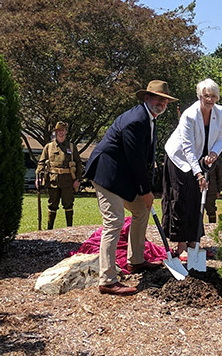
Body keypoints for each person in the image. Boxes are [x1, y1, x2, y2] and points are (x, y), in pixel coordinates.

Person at [84, 80, 177, 296]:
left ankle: (136, 260)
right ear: (146, 98)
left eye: (165, 100)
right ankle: (107, 280)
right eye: (157, 98)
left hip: (122, 177)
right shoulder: (136, 120)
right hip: (107, 174)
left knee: (141, 210)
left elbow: (141, 161)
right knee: (114, 222)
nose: (161, 103)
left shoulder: (148, 118)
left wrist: (145, 192)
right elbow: (136, 161)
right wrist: (145, 191)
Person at [162, 78, 222, 258]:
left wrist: (213, 154)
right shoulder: (189, 115)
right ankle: (181, 246)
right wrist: (198, 173)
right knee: (181, 197)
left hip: (200, 157)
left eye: (214, 96)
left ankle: (193, 242)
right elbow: (187, 147)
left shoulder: (220, 112)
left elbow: (221, 138)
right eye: (206, 95)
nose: (210, 99)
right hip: (179, 158)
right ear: (200, 96)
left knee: (197, 198)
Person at [35, 121, 83, 229]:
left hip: (68, 182)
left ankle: (69, 229)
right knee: (52, 205)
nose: (61, 132)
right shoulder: (49, 147)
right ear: (55, 132)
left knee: (68, 205)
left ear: (66, 132)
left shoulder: (71, 146)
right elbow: (41, 163)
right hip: (53, 181)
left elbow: (79, 164)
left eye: (63, 130)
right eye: (58, 130)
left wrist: (78, 180)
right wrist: (38, 177)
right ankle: (49, 229)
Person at [205, 157, 222, 223]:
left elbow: (219, 177)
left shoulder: (216, 160)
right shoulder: (198, 156)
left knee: (211, 210)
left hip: (211, 190)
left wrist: (218, 190)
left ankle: (212, 225)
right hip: (199, 189)